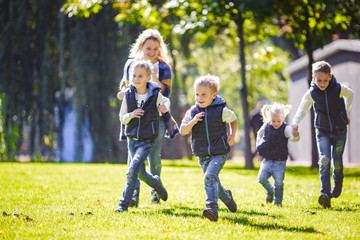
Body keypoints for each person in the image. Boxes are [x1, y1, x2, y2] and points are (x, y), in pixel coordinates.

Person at [117, 29, 173, 206]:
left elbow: (167, 92)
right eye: (148, 48)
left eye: (156, 49)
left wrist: (154, 78)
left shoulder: (164, 67)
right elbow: (125, 83)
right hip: (134, 117)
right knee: (132, 158)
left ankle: (155, 193)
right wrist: (123, 90)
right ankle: (133, 196)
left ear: (160, 49)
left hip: (155, 119)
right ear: (141, 47)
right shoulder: (130, 64)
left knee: (154, 157)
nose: (151, 52)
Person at [292, 61, 354, 208]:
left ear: (330, 77)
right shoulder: (312, 93)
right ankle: (325, 193)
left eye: (325, 80)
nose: (322, 83)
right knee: (325, 160)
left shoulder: (338, 88)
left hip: (339, 130)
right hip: (322, 130)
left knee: (337, 162)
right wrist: (295, 123)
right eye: (319, 80)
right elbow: (302, 109)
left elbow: (350, 94)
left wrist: (345, 112)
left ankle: (337, 184)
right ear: (314, 78)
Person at [179, 75, 238, 222]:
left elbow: (234, 120)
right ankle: (227, 197)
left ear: (214, 95)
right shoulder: (192, 112)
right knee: (213, 181)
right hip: (202, 154)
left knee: (209, 177)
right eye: (197, 94)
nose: (199, 97)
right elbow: (183, 130)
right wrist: (193, 121)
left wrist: (231, 135)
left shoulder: (220, 110)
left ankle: (212, 208)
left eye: (203, 94)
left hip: (219, 153)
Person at [256, 103, 299, 207]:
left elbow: (294, 139)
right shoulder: (266, 126)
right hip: (267, 160)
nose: (275, 123)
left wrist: (296, 134)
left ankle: (278, 202)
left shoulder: (286, 128)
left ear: (283, 118)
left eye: (278, 121)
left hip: (280, 162)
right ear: (269, 118)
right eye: (273, 121)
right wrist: (259, 144)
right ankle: (270, 191)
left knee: (279, 183)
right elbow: (259, 134)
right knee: (261, 178)